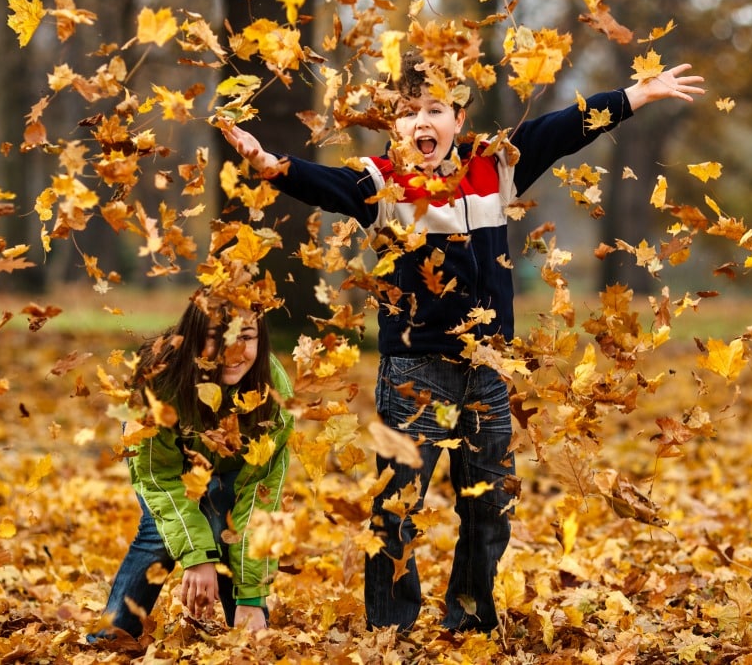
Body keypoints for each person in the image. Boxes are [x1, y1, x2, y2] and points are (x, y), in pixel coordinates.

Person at [222, 50, 704, 634]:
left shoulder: (494, 165)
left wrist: (635, 95)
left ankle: (469, 619)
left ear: (459, 116)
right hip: (414, 374)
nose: (421, 122)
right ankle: (390, 627)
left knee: (490, 506)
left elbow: (561, 128)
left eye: (435, 109)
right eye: (407, 113)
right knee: (398, 507)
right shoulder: (383, 181)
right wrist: (274, 165)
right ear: (392, 124)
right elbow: (330, 184)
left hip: (487, 370)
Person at [88, 289, 294, 643]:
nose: (233, 352)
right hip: (168, 469)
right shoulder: (157, 383)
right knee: (159, 533)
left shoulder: (273, 394)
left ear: (262, 340)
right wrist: (198, 559)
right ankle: (112, 637)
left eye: (245, 338)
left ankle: (244, 625)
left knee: (224, 520)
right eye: (217, 338)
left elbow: (259, 499)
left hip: (233, 470)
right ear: (196, 335)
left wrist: (252, 598)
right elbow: (159, 479)